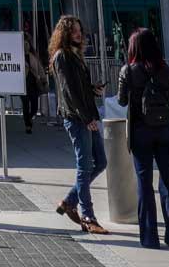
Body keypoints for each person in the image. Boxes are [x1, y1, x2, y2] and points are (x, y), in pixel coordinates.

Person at [116, 27, 169, 249]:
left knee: (144, 183)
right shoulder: (165, 69)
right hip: (164, 131)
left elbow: (122, 101)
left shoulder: (128, 70)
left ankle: (149, 238)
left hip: (140, 131)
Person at [51, 14, 108, 234]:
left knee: (101, 162)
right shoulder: (62, 57)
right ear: (64, 33)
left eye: (79, 29)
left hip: (87, 116)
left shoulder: (75, 56)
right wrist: (86, 119)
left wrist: (93, 89)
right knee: (84, 167)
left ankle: (69, 201)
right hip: (77, 119)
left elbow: (79, 89)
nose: (78, 33)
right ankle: (88, 216)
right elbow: (69, 92)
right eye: (73, 30)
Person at [23, 37, 48, 134]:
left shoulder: (33, 57)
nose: (26, 46)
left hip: (34, 84)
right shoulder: (18, 57)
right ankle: (27, 126)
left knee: (34, 106)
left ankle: (29, 118)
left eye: (27, 44)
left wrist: (43, 79)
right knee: (25, 105)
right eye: (24, 44)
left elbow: (40, 69)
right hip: (23, 85)